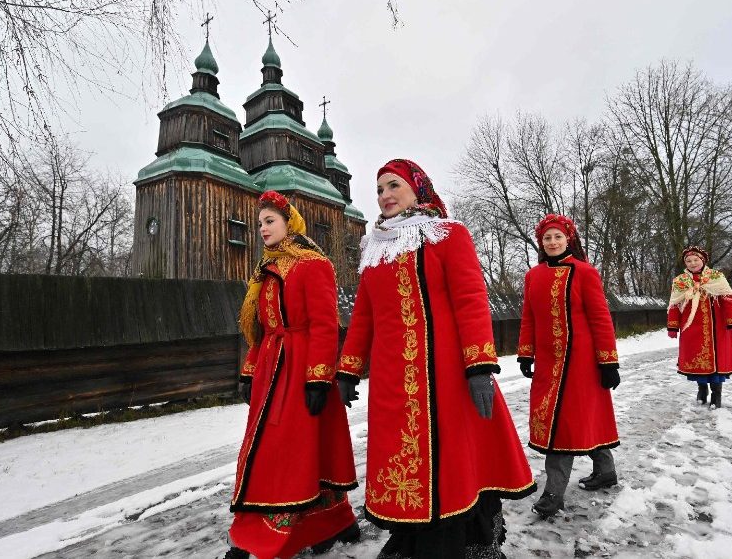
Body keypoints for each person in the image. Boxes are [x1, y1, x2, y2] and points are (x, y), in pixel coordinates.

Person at [336, 159, 535, 559]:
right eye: (379, 190)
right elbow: (364, 315)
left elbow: (470, 299)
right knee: (401, 458)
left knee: (451, 459)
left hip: (445, 376)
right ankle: (411, 535)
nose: (385, 196)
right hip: (394, 379)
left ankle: (452, 540)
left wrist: (479, 365)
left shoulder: (446, 234)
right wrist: (348, 369)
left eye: (393, 185)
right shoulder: (374, 246)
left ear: (417, 189)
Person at [226, 191, 359, 559]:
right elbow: (262, 330)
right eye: (259, 224)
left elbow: (324, 324)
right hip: (272, 368)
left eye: (270, 221)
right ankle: (262, 525)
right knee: (268, 451)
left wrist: (318, 378)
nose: (263, 229)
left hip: (301, 369)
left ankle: (309, 524)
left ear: (290, 223)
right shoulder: (265, 271)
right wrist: (249, 372)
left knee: (298, 452)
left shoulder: (313, 264)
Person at [517, 214, 621, 519]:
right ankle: (606, 471)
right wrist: (526, 353)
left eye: (557, 237)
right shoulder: (533, 276)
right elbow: (529, 317)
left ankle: (553, 495)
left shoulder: (585, 273)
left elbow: (601, 318)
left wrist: (608, 361)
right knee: (577, 421)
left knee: (565, 426)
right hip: (550, 365)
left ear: (569, 239)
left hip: (582, 364)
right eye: (546, 238)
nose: (552, 243)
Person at [666, 247, 732, 409]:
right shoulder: (680, 281)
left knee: (718, 360)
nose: (692, 263)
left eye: (696, 260)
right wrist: (672, 326)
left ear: (703, 260)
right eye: (689, 261)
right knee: (696, 361)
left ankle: (716, 394)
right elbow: (674, 305)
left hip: (717, 328)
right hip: (691, 329)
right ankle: (702, 389)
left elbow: (728, 300)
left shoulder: (716, 277)